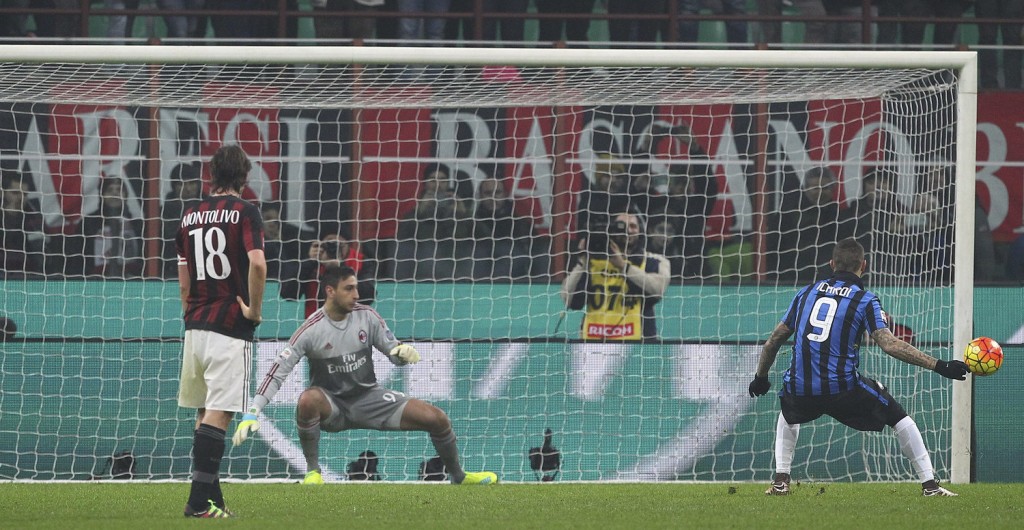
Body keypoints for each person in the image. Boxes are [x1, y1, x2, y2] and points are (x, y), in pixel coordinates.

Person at [232, 264, 498, 486]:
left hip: (370, 398)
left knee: (438, 419)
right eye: (349, 289)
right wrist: (252, 411)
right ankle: (313, 472)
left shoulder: (368, 317)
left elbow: (393, 352)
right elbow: (278, 372)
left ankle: (459, 476)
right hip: (333, 405)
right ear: (330, 291)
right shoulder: (310, 329)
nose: (356, 294)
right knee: (307, 400)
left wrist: (402, 353)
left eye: (356, 288)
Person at [748, 238, 969, 497]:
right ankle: (930, 486)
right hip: (843, 389)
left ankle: (781, 481)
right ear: (864, 265)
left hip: (801, 387)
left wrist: (760, 377)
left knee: (789, 410)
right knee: (898, 417)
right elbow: (889, 344)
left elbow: (774, 339)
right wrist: (940, 365)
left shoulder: (806, 293)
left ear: (832, 264)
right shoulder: (865, 300)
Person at [176, 145, 266, 518]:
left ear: (212, 175)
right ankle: (198, 503)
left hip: (195, 324)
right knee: (221, 413)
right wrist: (254, 311)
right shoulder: (246, 212)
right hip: (229, 325)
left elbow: (183, 275)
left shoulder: (189, 214)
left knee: (203, 413)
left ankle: (213, 502)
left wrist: (190, 312)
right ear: (244, 178)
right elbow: (257, 265)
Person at [561, 212, 670, 342]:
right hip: (592, 342)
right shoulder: (591, 261)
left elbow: (658, 290)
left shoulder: (654, 261)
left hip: (639, 346)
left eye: (633, 226)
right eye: (621, 226)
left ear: (641, 231)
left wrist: (623, 266)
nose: (628, 230)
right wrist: (583, 261)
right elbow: (570, 299)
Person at [281, 232, 375, 317]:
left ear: (347, 245)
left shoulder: (361, 261)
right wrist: (309, 262)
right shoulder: (313, 263)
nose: (333, 250)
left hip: (351, 323)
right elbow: (288, 294)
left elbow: (368, 297)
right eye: (328, 245)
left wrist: (340, 268)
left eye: (339, 246)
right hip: (316, 325)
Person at [1, 171, 46, 278]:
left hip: (28, 277)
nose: (21, 198)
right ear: (2, 193)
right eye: (15, 193)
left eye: (24, 194)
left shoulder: (35, 220)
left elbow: (40, 256)